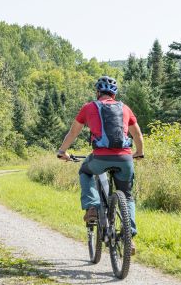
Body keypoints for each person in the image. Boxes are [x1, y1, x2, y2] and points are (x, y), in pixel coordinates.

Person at [57, 76, 144, 255]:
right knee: (127, 197)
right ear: (114, 93)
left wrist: (62, 151)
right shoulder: (125, 108)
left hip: (100, 158)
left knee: (85, 171)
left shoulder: (89, 107)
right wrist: (139, 152)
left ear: (98, 92)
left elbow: (73, 133)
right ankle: (130, 238)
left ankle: (92, 208)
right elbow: (138, 136)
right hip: (125, 159)